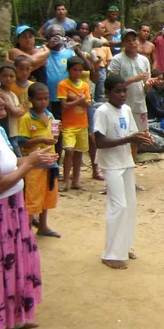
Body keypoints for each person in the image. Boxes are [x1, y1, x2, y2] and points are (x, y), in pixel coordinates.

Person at [0, 86, 57, 329]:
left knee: (17, 263)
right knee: (1, 270)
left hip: (13, 207)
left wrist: (34, 159)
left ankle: (15, 315)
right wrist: (30, 163)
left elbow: (13, 162)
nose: (2, 102)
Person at [94, 76, 152, 269]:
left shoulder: (126, 110)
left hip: (126, 161)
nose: (121, 95)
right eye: (117, 91)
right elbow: (99, 142)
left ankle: (125, 246)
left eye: (124, 91)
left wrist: (143, 139)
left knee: (130, 205)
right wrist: (128, 140)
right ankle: (110, 253)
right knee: (118, 206)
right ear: (108, 93)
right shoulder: (102, 111)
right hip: (111, 164)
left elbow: (133, 136)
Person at [17, 82, 60, 238]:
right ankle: (26, 231)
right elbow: (22, 142)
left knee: (47, 196)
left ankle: (43, 226)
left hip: (49, 162)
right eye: (39, 99)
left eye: (46, 98)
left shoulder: (50, 116)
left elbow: (53, 137)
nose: (43, 102)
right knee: (32, 197)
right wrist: (40, 139)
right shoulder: (26, 118)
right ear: (31, 100)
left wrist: (54, 137)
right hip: (34, 165)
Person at [109, 29, 152, 166]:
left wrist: (150, 84)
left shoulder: (144, 60)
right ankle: (119, 167)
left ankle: (131, 166)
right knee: (121, 137)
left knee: (137, 138)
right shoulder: (117, 60)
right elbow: (111, 83)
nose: (132, 43)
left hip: (139, 104)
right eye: (128, 40)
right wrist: (134, 79)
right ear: (124, 43)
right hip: (121, 106)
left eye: (134, 40)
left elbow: (146, 86)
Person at [57, 57, 91, 192]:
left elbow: (88, 104)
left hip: (82, 123)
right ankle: (66, 180)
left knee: (79, 152)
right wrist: (80, 100)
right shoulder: (63, 85)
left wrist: (74, 99)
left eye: (80, 70)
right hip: (69, 124)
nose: (77, 73)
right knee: (69, 150)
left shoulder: (84, 85)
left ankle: (76, 180)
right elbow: (64, 105)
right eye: (74, 70)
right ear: (69, 70)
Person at [0, 64, 26, 154]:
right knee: (16, 155)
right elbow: (14, 111)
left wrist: (17, 110)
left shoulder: (12, 94)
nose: (8, 79)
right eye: (4, 76)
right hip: (6, 131)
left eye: (11, 76)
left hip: (15, 131)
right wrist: (16, 110)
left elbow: (21, 111)